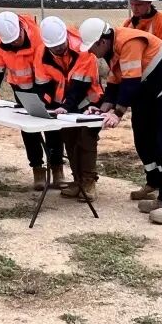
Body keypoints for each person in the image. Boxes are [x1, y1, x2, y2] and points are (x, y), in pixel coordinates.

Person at [80, 18, 162, 225]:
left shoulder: (129, 42)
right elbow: (114, 83)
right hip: (157, 93)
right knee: (146, 139)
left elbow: (131, 81)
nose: (90, 52)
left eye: (91, 47)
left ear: (102, 41)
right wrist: (103, 107)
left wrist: (117, 113)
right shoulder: (113, 49)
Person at [0, 12, 64, 190]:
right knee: (28, 129)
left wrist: (45, 99)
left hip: (46, 86)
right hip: (21, 90)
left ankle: (57, 170)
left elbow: (47, 67)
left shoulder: (39, 36)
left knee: (52, 128)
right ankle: (37, 170)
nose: (15, 43)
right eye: (11, 41)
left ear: (21, 27)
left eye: (17, 38)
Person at [35, 16, 103, 201]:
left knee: (86, 140)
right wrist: (45, 105)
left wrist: (65, 106)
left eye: (60, 45)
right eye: (54, 47)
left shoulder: (82, 48)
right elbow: (43, 85)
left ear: (65, 37)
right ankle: (77, 181)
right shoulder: (42, 53)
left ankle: (88, 183)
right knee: (70, 140)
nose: (59, 49)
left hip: (88, 102)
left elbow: (80, 85)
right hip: (63, 107)